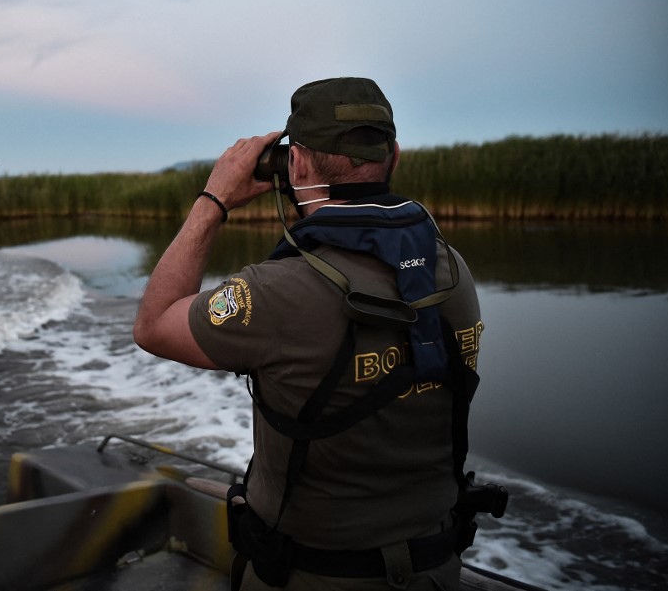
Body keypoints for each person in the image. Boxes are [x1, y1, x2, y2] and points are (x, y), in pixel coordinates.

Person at [133, 77, 485, 590]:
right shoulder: (452, 270)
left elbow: (153, 324)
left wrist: (214, 199)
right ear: (394, 157)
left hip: (313, 575)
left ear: (294, 164)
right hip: (435, 568)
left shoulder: (278, 291)